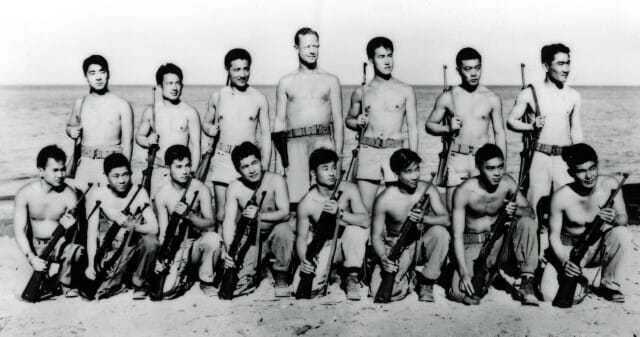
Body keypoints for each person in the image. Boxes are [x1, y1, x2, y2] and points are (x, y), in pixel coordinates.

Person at [448, 144, 539, 306]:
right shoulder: (464, 191)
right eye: (490, 168)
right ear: (478, 168)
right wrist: (463, 272)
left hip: (500, 243)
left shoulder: (508, 183)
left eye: (500, 167)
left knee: (526, 223)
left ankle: (527, 280)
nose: (497, 173)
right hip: (473, 244)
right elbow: (456, 235)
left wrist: (515, 210)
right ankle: (489, 275)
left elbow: (530, 213)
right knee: (460, 292)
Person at [540, 143, 629, 304]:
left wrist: (613, 218)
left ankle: (608, 285)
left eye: (592, 168)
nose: (589, 176)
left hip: (596, 249)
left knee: (621, 233)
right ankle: (580, 280)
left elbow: (624, 219)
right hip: (569, 250)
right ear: (571, 172)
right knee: (548, 296)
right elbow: (553, 236)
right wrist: (564, 261)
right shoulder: (561, 197)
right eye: (581, 171)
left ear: (597, 165)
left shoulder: (611, 185)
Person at [507, 43, 583, 220]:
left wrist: (581, 159)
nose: (566, 69)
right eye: (560, 64)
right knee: (533, 209)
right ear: (546, 66)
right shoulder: (530, 92)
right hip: (539, 157)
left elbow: (576, 131)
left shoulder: (573, 95)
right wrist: (531, 126)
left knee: (567, 208)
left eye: (568, 63)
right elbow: (511, 121)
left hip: (565, 159)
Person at [425, 47, 506, 208]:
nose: (474, 73)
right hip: (457, 160)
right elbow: (429, 125)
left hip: (482, 161)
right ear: (459, 70)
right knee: (453, 211)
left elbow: (500, 133)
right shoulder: (448, 97)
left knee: (480, 209)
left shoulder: (492, 98)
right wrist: (447, 128)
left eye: (477, 68)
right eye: (468, 69)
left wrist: (501, 166)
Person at [345, 36, 418, 212]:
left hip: (395, 153)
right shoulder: (362, 92)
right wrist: (357, 122)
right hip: (368, 152)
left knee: (397, 208)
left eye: (389, 55)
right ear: (371, 60)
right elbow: (349, 119)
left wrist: (414, 161)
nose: (387, 61)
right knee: (364, 209)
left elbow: (413, 129)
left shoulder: (405, 90)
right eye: (381, 56)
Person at [273, 27, 344, 205]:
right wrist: (280, 160)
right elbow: (279, 123)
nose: (313, 51)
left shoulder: (331, 80)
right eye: (307, 46)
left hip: (323, 141)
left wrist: (339, 155)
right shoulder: (285, 82)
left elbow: (338, 121)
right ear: (296, 47)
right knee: (295, 198)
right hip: (294, 144)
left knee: (326, 196)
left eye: (316, 46)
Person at [369, 149, 450, 302]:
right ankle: (409, 278)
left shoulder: (428, 189)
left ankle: (427, 281)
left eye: (417, 169)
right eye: (408, 171)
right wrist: (383, 257)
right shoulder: (384, 198)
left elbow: (447, 220)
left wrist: (423, 218)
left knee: (441, 233)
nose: (415, 176)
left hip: (420, 244)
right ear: (396, 173)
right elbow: (376, 235)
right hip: (395, 246)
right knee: (378, 292)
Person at [202, 49, 271, 224]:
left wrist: (264, 166)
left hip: (247, 163)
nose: (242, 74)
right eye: (237, 69)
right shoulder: (218, 96)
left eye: (246, 69)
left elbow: (266, 136)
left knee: (246, 215)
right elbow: (206, 123)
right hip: (223, 159)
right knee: (222, 215)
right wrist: (210, 130)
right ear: (228, 69)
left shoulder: (259, 99)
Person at [292, 149, 369, 300]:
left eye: (334, 167)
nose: (332, 173)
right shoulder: (307, 202)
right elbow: (301, 238)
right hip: (325, 246)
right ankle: (333, 273)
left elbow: (365, 220)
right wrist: (304, 260)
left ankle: (351, 277)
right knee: (303, 290)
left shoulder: (349, 189)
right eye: (325, 169)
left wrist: (340, 214)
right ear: (314, 173)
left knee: (356, 231)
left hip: (346, 245)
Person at [84, 153, 160, 300]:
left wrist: (132, 225)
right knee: (101, 291)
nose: (122, 180)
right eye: (116, 176)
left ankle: (140, 283)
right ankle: (121, 281)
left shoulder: (139, 192)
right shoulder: (98, 194)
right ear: (106, 176)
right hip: (109, 251)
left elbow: (154, 228)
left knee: (151, 242)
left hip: (131, 246)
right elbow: (91, 233)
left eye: (125, 175)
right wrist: (91, 264)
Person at [14, 145, 86, 299]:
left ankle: (64, 282)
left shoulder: (69, 195)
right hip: (36, 247)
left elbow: (75, 235)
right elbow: (19, 231)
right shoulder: (25, 193)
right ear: (41, 171)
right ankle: (49, 279)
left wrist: (70, 227)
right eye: (55, 170)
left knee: (78, 251)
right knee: (37, 283)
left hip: (59, 244)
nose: (61, 175)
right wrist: (31, 258)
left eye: (62, 169)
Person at [221, 142, 292, 298]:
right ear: (238, 170)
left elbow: (285, 213)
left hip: (274, 232)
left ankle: (281, 275)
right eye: (245, 167)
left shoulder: (275, 179)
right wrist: (229, 251)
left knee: (284, 230)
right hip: (252, 237)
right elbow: (228, 222)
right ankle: (256, 272)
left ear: (261, 162)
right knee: (238, 287)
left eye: (254, 163)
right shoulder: (234, 187)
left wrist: (259, 216)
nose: (252, 169)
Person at [153, 145, 221, 296]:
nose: (185, 171)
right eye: (178, 166)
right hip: (177, 246)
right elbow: (164, 232)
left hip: (196, 245)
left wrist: (191, 216)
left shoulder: (200, 188)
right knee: (166, 292)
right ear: (168, 167)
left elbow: (211, 223)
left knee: (213, 239)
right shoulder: (162, 194)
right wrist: (162, 257)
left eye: (187, 165)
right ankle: (185, 275)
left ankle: (206, 280)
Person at [66, 55, 133, 190]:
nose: (98, 77)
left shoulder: (122, 105)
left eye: (102, 72)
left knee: (109, 208)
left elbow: (128, 144)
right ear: (86, 77)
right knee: (82, 208)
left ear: (108, 74)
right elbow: (70, 126)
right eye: (92, 73)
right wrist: (70, 131)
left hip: (110, 167)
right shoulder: (80, 103)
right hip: (84, 165)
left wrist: (121, 174)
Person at [135, 63, 202, 196]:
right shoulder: (151, 111)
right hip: (157, 170)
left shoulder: (190, 112)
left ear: (182, 85)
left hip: (181, 170)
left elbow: (196, 146)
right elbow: (139, 137)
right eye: (170, 83)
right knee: (156, 209)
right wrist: (148, 141)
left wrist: (192, 174)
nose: (174, 87)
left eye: (177, 83)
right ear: (160, 86)